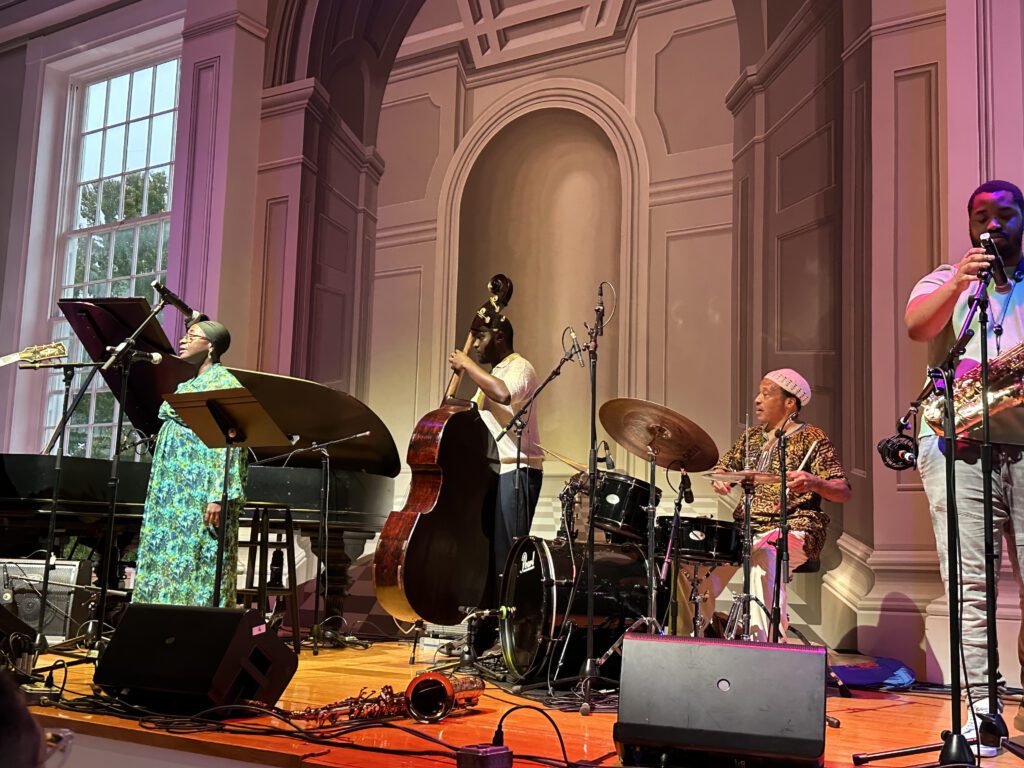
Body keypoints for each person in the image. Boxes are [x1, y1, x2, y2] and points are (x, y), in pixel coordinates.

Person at [905, 179, 1024, 752]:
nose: (993, 224)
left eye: (1005, 214)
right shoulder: (945, 279)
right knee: (969, 586)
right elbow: (918, 326)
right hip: (959, 447)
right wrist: (959, 281)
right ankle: (981, 710)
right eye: (981, 216)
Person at [685, 368, 850, 643]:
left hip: (795, 527)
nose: (757, 400)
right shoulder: (751, 437)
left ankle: (763, 647)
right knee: (697, 569)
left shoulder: (812, 438)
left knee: (764, 556)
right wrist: (721, 479)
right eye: (758, 393)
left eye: (766, 393)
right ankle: (692, 641)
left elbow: (842, 490)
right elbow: (723, 467)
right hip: (747, 529)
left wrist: (814, 482)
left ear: (790, 402)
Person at [132, 320, 247, 607]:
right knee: (168, 553)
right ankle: (161, 612)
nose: (183, 341)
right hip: (174, 489)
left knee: (200, 552)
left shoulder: (223, 382)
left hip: (198, 488)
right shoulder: (189, 384)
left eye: (192, 336)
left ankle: (197, 616)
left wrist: (218, 494)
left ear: (211, 346)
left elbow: (231, 444)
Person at [448, 313, 543, 595]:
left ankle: (511, 617)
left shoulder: (520, 367)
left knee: (509, 556)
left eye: (481, 337)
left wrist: (467, 364)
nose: (476, 344)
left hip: (518, 471)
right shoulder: (495, 373)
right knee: (490, 556)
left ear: (499, 337)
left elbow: (503, 394)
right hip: (494, 473)